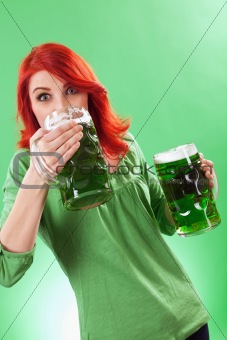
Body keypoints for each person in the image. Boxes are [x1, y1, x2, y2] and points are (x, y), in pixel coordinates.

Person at [0, 42, 214, 339]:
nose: (62, 108)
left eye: (71, 90)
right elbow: (6, 270)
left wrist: (195, 190)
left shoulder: (122, 142)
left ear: (88, 93)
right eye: (44, 97)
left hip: (185, 318)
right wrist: (41, 171)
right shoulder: (26, 168)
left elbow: (165, 220)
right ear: (31, 108)